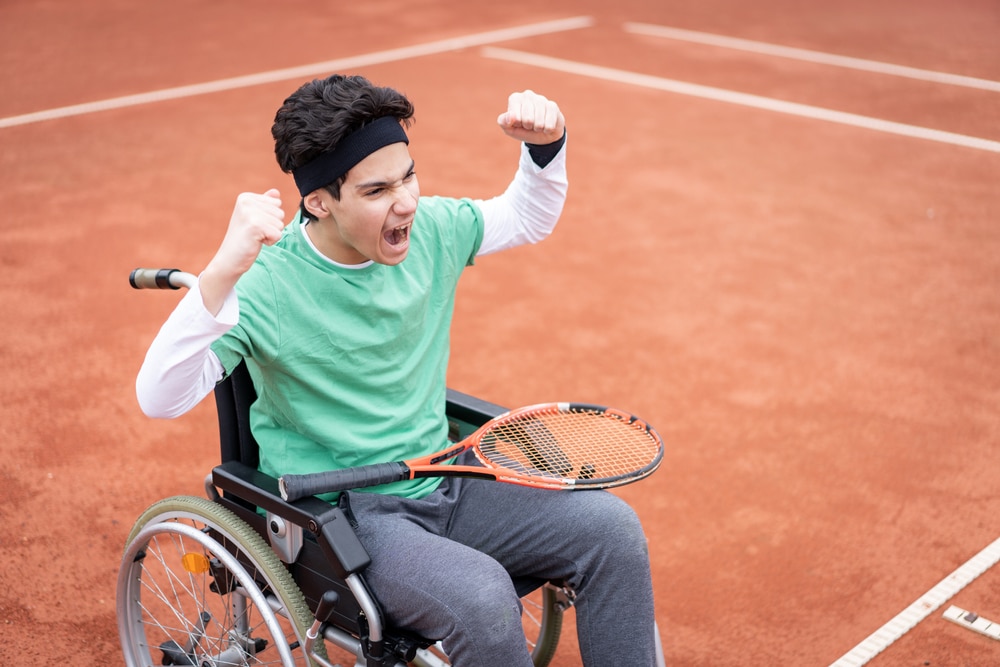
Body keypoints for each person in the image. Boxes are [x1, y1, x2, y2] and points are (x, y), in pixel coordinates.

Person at [136, 73, 658, 666]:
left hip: (446, 476)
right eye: (377, 189)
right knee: (481, 600)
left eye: (408, 175)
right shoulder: (268, 286)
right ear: (319, 202)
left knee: (611, 532)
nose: (406, 201)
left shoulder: (431, 229)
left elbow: (525, 216)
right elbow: (159, 396)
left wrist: (546, 147)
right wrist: (223, 271)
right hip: (345, 518)